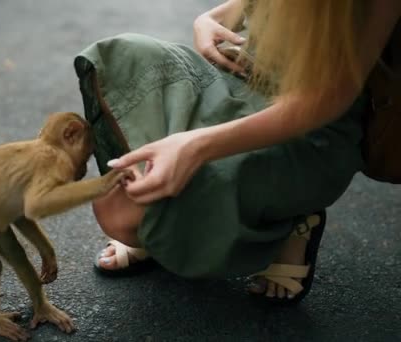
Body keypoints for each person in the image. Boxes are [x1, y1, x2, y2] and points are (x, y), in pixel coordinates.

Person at [73, 0, 400, 303]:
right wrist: (210, 19)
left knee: (126, 216)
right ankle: (167, 222)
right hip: (241, 77)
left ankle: (289, 223)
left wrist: (197, 146)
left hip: (305, 128)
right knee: (124, 55)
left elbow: (327, 100)